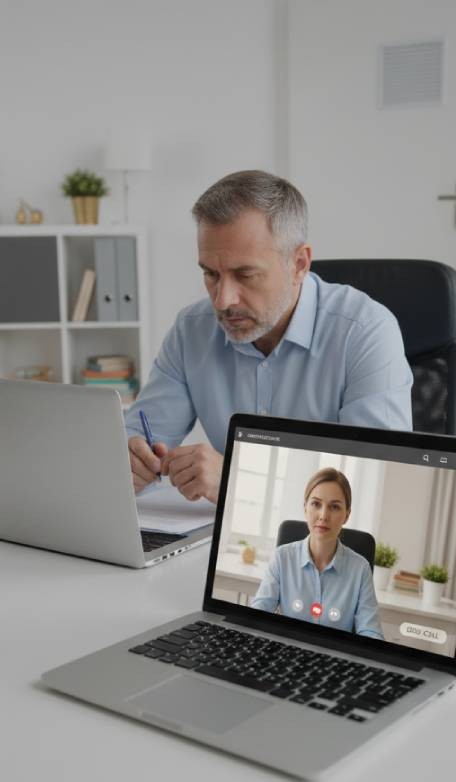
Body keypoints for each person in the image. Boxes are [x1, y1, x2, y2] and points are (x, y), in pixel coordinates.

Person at [126, 170, 412, 503]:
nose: (222, 300)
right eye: (211, 274)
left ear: (299, 264)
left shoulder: (366, 331)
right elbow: (140, 440)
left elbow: (376, 484)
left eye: (245, 275)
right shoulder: (191, 330)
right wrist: (130, 460)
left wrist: (236, 480)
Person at [250, 468, 383, 639]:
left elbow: (371, 631)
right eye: (316, 504)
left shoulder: (360, 569)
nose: (323, 515)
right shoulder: (282, 558)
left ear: (347, 515)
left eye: (334, 507)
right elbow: (258, 613)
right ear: (305, 507)